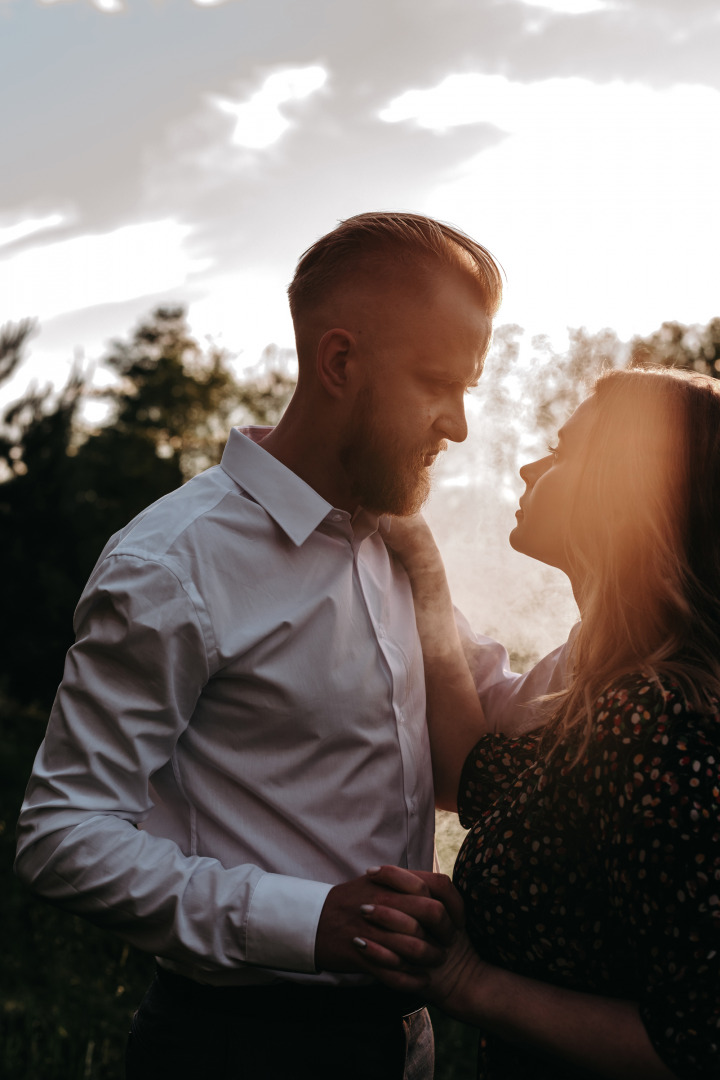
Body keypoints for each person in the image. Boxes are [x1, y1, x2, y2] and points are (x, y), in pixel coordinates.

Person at [14, 211, 569, 1080]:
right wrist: (307, 921)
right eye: (436, 383)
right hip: (232, 1050)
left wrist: (639, 611)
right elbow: (62, 834)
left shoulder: (396, 541)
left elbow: (490, 730)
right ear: (339, 362)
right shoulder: (176, 563)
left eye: (469, 389)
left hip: (403, 1048)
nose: (459, 426)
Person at [352, 366, 720, 1079]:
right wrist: (424, 569)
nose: (530, 464)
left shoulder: (662, 723)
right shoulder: (600, 674)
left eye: (562, 451)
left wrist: (464, 981)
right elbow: (476, 776)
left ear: (626, 493)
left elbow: (698, 1048)